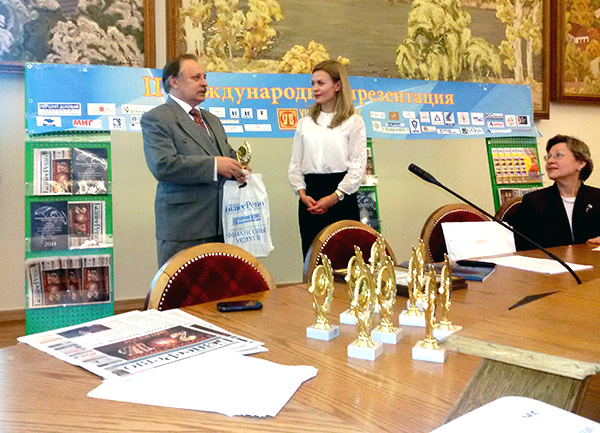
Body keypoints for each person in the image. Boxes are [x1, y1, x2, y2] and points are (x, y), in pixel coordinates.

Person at [142, 55, 246, 267]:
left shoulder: (212, 120)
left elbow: (227, 154)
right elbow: (163, 165)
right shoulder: (157, 118)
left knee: (220, 286)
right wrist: (215, 165)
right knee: (182, 287)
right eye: (196, 78)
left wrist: (238, 167)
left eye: (205, 77)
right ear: (174, 82)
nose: (204, 83)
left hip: (223, 226)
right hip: (184, 228)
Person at [288, 60, 367, 258]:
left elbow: (357, 166)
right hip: (310, 198)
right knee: (313, 259)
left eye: (321, 83)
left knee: (344, 260)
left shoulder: (354, 122)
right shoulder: (305, 123)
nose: (315, 88)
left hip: (341, 197)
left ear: (338, 85)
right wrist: (302, 193)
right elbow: (295, 163)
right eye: (313, 83)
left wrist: (335, 197)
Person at [513, 134, 600, 250]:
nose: (550, 161)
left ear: (581, 163)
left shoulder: (597, 198)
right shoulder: (533, 201)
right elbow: (524, 248)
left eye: (558, 155)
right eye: (548, 157)